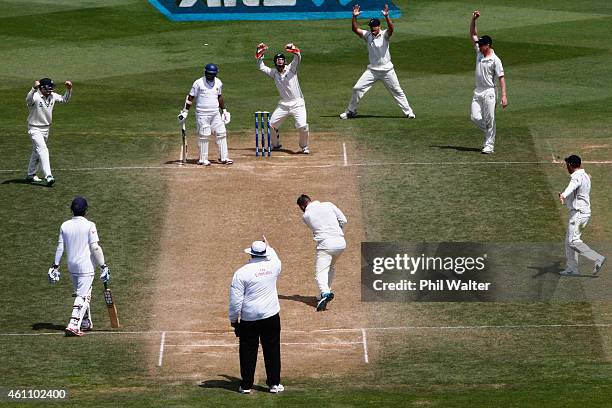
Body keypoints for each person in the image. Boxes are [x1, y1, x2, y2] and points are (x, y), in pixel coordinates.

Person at [339, 4, 415, 120]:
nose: (372, 28)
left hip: (387, 70)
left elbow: (391, 29)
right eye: (371, 26)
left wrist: (387, 16)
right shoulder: (367, 35)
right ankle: (351, 111)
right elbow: (355, 29)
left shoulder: (385, 34)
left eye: (374, 26)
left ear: (379, 26)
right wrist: (354, 16)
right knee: (357, 88)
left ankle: (408, 112)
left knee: (397, 91)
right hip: (372, 70)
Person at [228, 236, 284, 394]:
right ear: (265, 253)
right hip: (271, 316)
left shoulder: (241, 273)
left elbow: (235, 301)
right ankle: (274, 384)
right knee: (272, 349)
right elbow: (274, 256)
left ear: (251, 254)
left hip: (249, 319)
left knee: (247, 351)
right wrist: (269, 246)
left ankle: (246, 385)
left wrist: (234, 320)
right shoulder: (274, 265)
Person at [48, 197, 110, 337]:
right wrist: (103, 266)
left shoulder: (65, 225)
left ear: (72, 210)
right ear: (86, 210)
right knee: (83, 295)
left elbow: (60, 246)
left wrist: (55, 266)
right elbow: (95, 247)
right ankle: (73, 325)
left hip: (72, 266)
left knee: (83, 292)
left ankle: (85, 322)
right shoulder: (90, 225)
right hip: (86, 267)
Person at [256, 42, 310, 154]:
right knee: (271, 125)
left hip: (297, 103)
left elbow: (297, 57)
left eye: (282, 59)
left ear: (285, 61)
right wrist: (260, 52)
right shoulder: (274, 73)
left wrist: (293, 48)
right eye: (278, 59)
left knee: (303, 126)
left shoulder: (291, 69)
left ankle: (304, 147)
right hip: (284, 104)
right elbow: (261, 67)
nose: (280, 60)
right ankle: (275, 145)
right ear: (275, 62)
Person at [297, 195, 347, 311]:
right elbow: (344, 220)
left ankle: (325, 293)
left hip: (325, 245)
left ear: (302, 206)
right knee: (331, 267)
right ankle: (325, 292)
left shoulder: (306, 216)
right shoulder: (328, 204)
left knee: (320, 273)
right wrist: (336, 232)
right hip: (340, 242)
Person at [558, 155, 606, 276]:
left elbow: (572, 186)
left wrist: (563, 195)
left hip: (578, 215)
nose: (566, 167)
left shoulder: (577, 177)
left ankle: (597, 258)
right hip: (581, 213)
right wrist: (565, 195)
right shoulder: (584, 175)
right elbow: (577, 193)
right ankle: (572, 268)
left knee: (573, 241)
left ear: (570, 165)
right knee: (568, 241)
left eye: (567, 165)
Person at [178, 64, 233, 166]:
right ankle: (202, 159)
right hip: (202, 113)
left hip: (215, 113)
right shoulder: (198, 83)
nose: (210, 76)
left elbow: (219, 97)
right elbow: (190, 97)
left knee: (221, 133)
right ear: (205, 73)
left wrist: (224, 110)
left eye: (212, 74)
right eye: (209, 74)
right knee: (204, 135)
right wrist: (185, 111)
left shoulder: (218, 82)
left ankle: (224, 157)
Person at [469, 10, 508, 154]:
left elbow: (501, 78)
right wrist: (474, 19)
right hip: (478, 90)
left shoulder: (496, 60)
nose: (479, 46)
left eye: (482, 45)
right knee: (474, 117)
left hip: (489, 91)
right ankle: (489, 132)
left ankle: (489, 145)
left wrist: (504, 96)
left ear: (488, 45)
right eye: (479, 45)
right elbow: (473, 34)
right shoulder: (479, 52)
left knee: (490, 118)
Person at [25, 78, 72, 186]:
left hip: (46, 129)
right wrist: (33, 89)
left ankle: (30, 174)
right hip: (34, 128)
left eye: (51, 88)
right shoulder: (35, 96)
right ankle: (48, 176)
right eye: (48, 88)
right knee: (43, 149)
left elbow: (64, 99)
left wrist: (69, 89)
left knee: (36, 152)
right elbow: (28, 100)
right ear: (41, 88)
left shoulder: (53, 96)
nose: (50, 90)